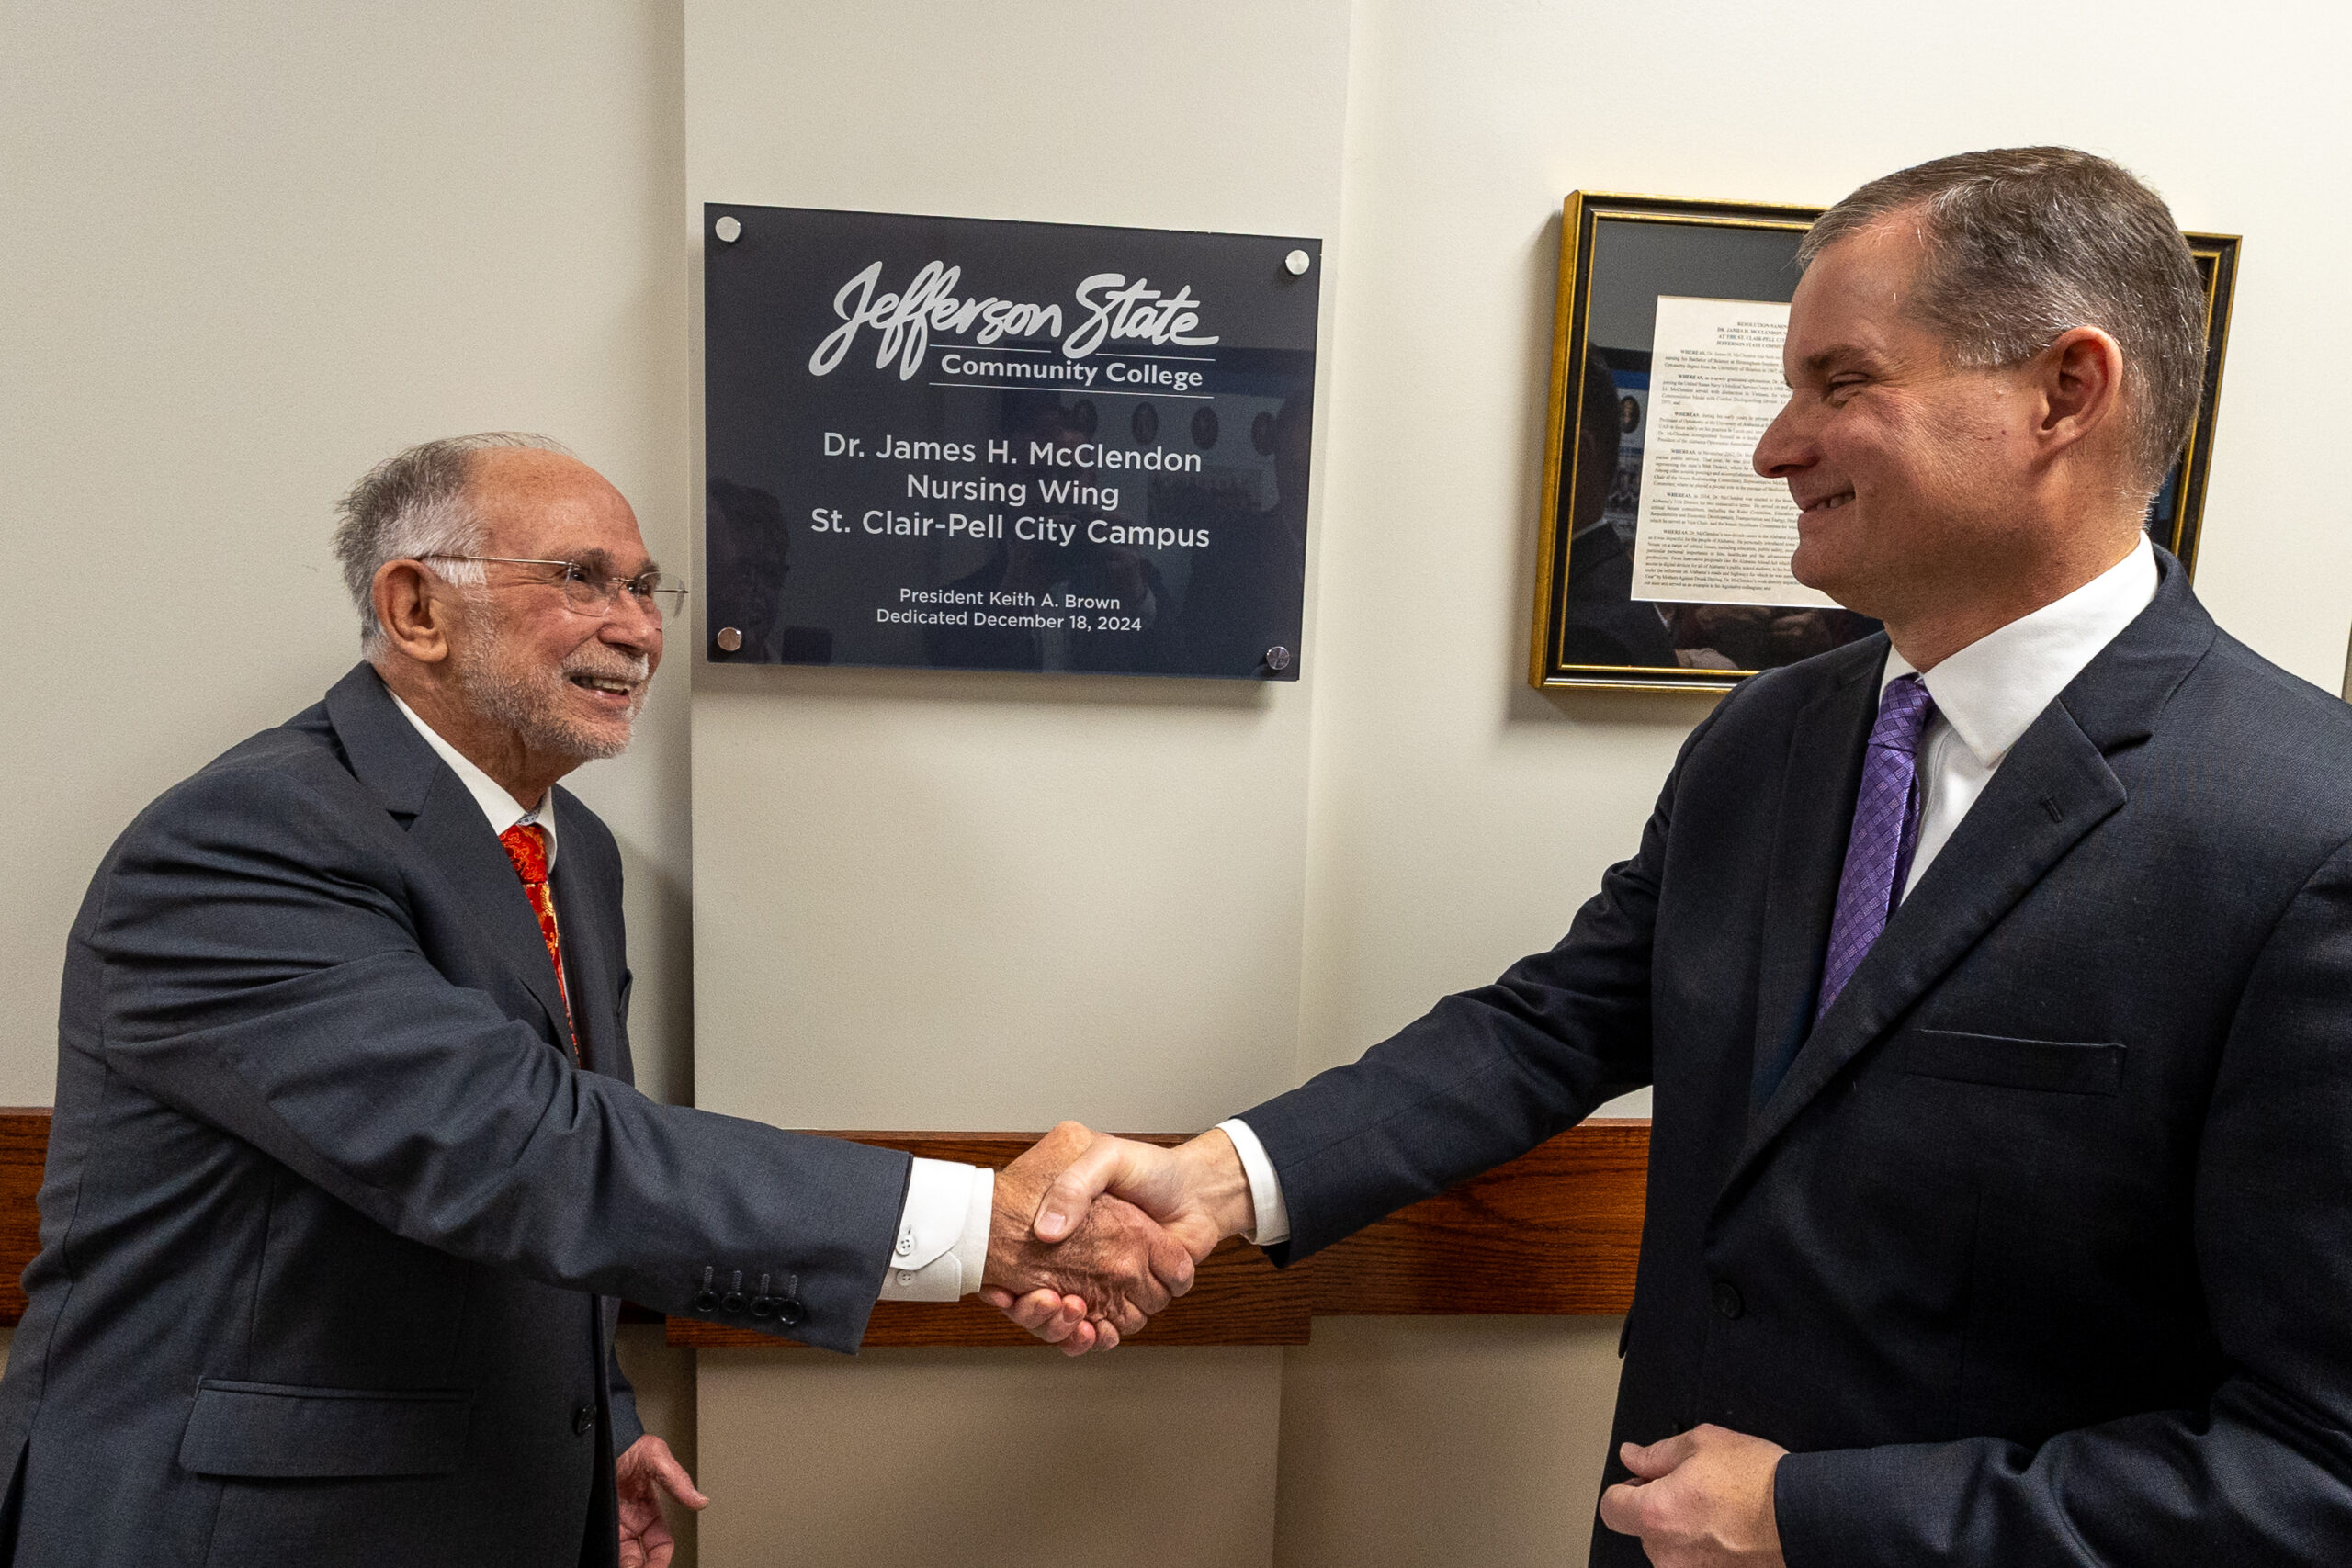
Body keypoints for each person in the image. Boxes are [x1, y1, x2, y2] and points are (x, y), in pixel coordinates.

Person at [1007, 148, 2352, 1565]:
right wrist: (1223, 1178)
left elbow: (2318, 1469)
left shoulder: (2303, 838)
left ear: (2063, 391)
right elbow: (1555, 1025)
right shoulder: (1773, 739)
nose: (1774, 446)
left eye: (1842, 385)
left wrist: (1809, 1518)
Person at [0, 434, 1191, 1568]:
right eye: (581, 580)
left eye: (644, 587)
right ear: (417, 608)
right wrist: (982, 1226)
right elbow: (509, 1144)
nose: (636, 630)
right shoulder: (248, 836)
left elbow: (556, 1195)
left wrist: (597, 1422)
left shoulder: (578, 855)